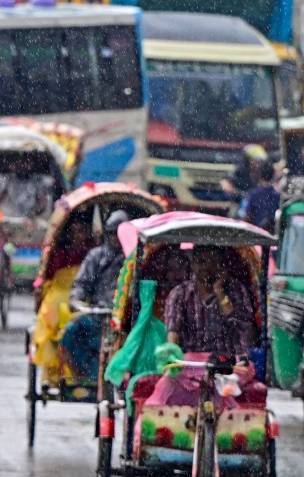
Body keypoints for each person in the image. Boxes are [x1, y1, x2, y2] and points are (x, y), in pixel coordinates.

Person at [147, 246, 257, 406]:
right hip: (190, 364)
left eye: (213, 262)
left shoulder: (236, 290)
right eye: (202, 262)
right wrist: (171, 355)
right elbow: (173, 332)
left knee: (228, 385)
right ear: (192, 264)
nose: (207, 267)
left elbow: (243, 328)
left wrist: (219, 292)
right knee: (167, 386)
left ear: (221, 266)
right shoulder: (180, 294)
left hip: (230, 362)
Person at [62, 210, 129, 377]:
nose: (116, 238)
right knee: (70, 332)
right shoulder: (96, 256)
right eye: (112, 234)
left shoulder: (134, 258)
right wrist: (76, 299)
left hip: (125, 319)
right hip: (97, 315)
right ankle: (82, 376)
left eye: (120, 234)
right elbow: (81, 284)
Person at [243, 161, 280, 232]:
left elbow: (246, 215)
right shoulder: (278, 195)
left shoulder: (252, 194)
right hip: (273, 234)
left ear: (259, 175)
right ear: (273, 175)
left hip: (256, 233)